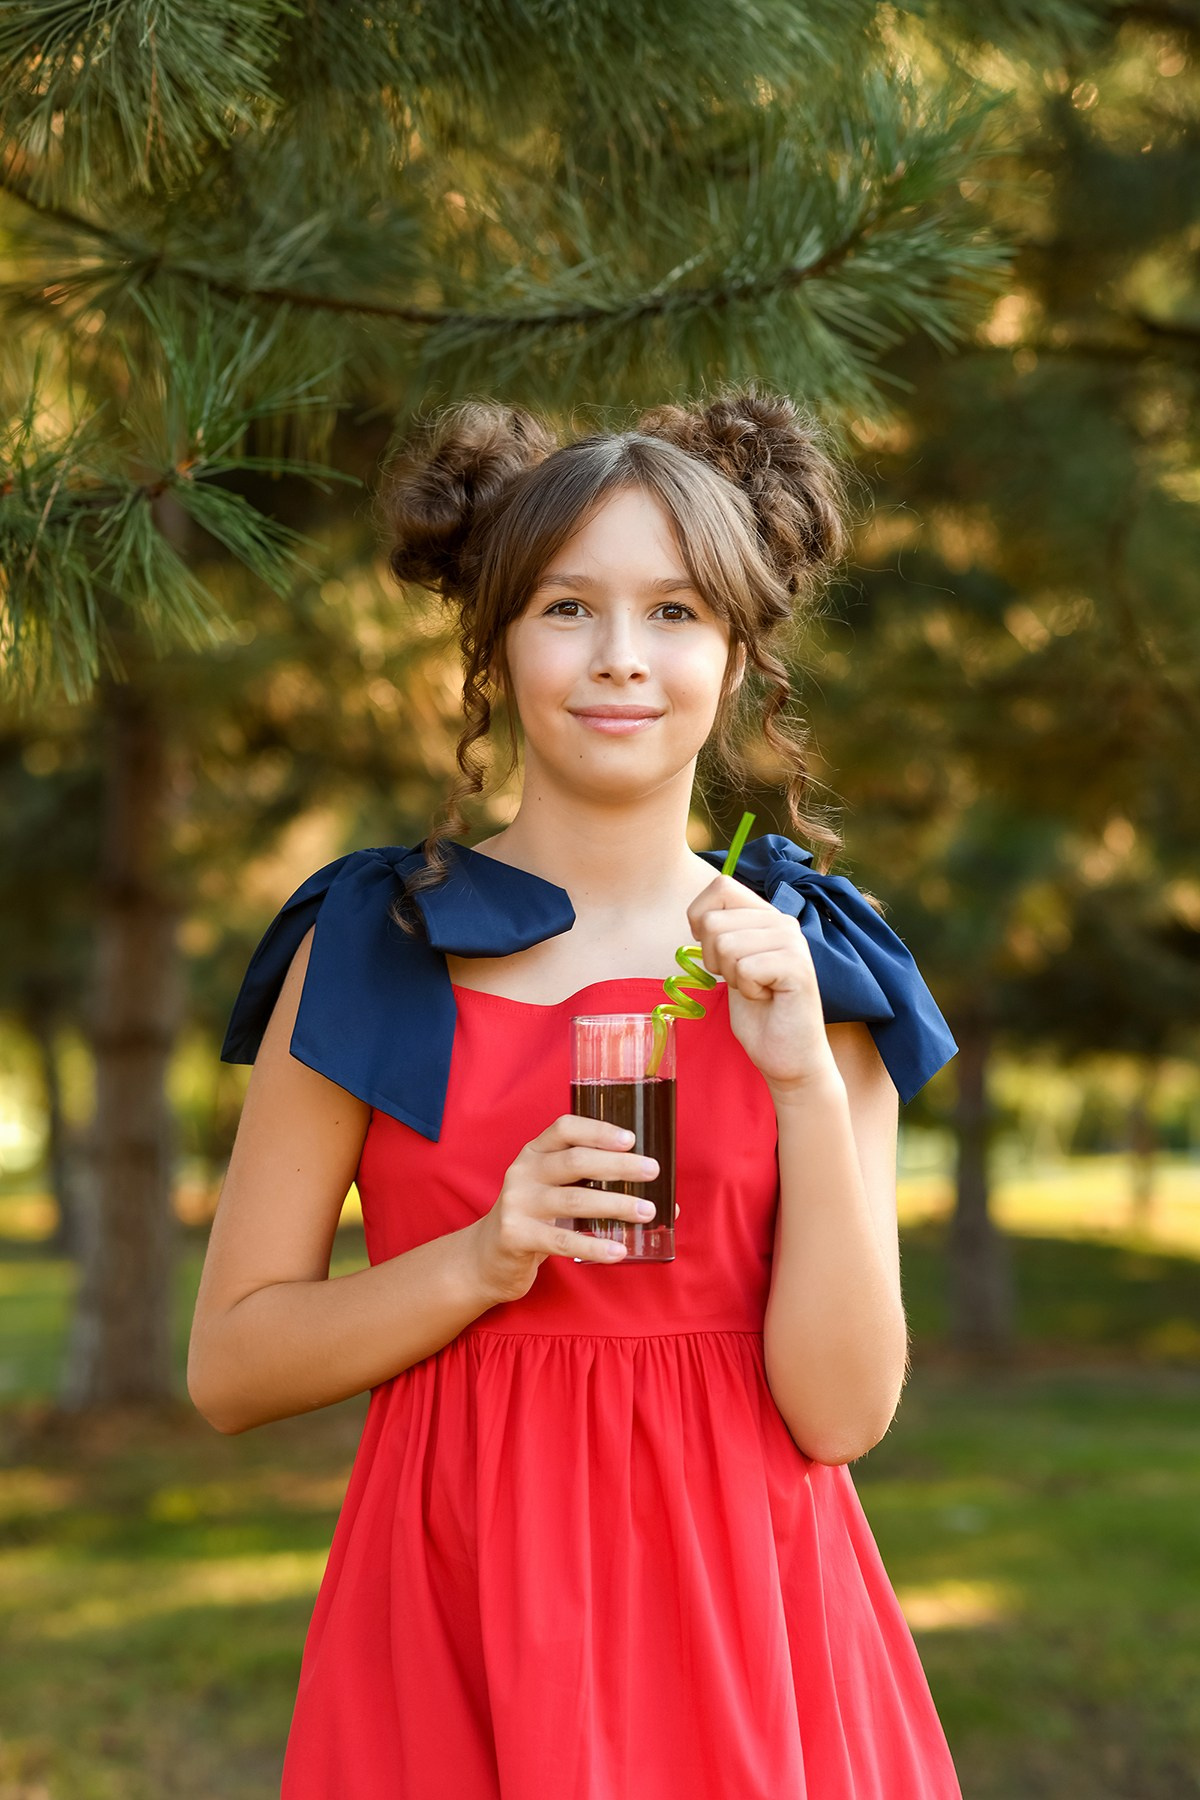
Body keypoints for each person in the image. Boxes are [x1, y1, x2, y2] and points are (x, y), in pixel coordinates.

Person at [188, 384, 964, 1799]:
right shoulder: (371, 950)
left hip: (751, 1626)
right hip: (452, 1604)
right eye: (566, 607)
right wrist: (480, 1260)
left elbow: (842, 1414)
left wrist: (796, 1073)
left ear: (737, 656)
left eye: (674, 613)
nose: (622, 659)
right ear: (494, 641)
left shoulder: (816, 966)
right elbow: (233, 1367)